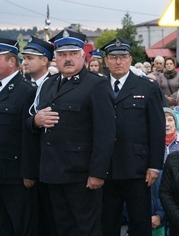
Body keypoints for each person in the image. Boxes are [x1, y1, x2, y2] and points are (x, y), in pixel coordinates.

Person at [29, 29, 116, 235]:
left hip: (81, 174)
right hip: (53, 171)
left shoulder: (96, 85)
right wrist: (35, 121)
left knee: (86, 228)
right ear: (55, 58)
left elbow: (105, 133)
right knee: (62, 227)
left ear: (83, 56)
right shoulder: (49, 84)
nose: (67, 59)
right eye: (62, 55)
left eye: (73, 54)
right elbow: (31, 120)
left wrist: (97, 172)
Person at [98, 37, 165, 236]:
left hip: (137, 167)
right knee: (108, 220)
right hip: (106, 166)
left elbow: (157, 128)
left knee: (139, 220)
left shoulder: (147, 87)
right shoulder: (98, 87)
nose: (118, 62)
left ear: (130, 59)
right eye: (113, 57)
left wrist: (154, 165)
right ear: (106, 61)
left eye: (123, 57)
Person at [0, 38, 38, 235]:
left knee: (22, 226)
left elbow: (29, 136)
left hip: (16, 175)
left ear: (11, 61)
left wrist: (28, 172)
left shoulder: (26, 91)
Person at [21, 36, 57, 236]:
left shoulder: (54, 86)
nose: (25, 62)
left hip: (51, 167)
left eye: (30, 58)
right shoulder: (26, 86)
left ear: (45, 60)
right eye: (25, 57)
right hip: (33, 167)